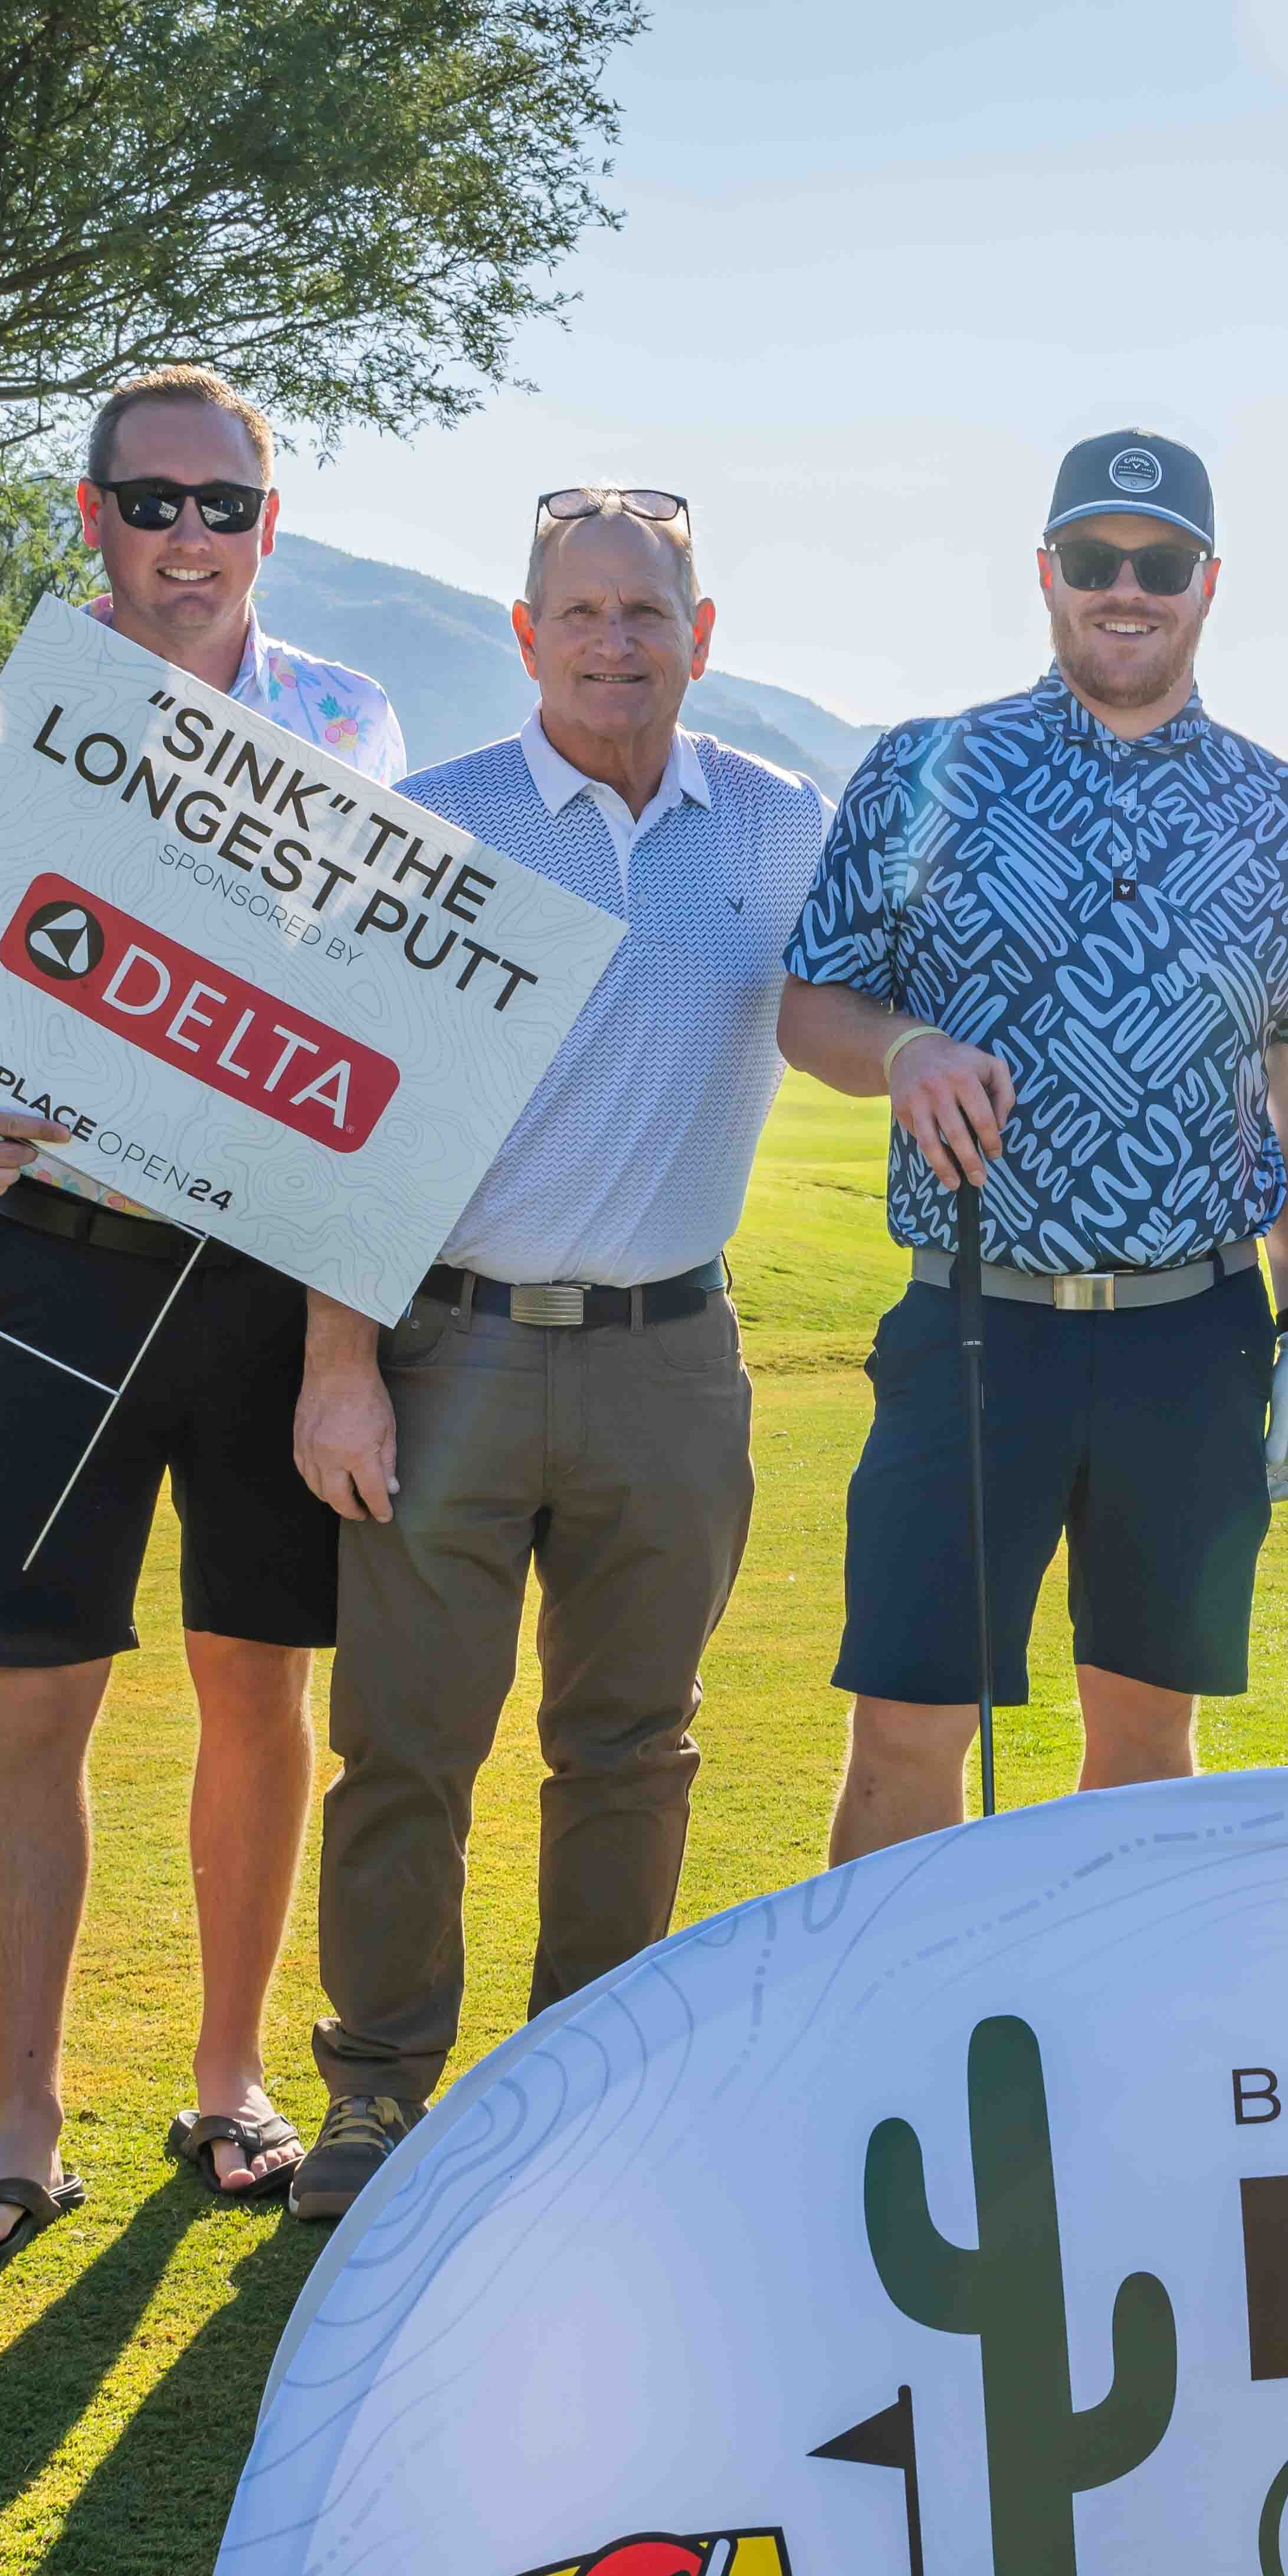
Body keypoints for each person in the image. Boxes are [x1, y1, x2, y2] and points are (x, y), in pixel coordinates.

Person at [0, 362, 407, 2270]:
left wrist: (343, 1345)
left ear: (270, 526)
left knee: (260, 1685)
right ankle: (20, 2130)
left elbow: (389, 1033)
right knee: (34, 1695)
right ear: (90, 513)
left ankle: (229, 2079)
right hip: (55, 1267)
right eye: (150, 500)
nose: (187, 536)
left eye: (221, 504)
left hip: (262, 1278)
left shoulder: (349, 723)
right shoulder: (5, 727)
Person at [280, 487, 830, 2225]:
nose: (613, 643)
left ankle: (583, 2087)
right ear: (524, 636)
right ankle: (378, 2090)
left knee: (632, 1744)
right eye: (578, 613)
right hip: (450, 1348)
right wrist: (336, 1365)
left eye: (645, 612)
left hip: (671, 1358)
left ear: (700, 634)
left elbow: (860, 997)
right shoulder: (436, 825)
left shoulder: (779, 825)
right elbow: (344, 1115)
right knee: (405, 1744)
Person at [778, 428, 1288, 1857]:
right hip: (975, 1323)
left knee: (1151, 1741)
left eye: (1159, 564)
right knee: (907, 1731)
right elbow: (810, 1006)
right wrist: (903, 1049)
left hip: (1193, 1337)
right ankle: (894, 2008)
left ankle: (1117, 2009)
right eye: (1096, 559)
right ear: (1046, 570)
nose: (1126, 589)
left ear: (1207, 582)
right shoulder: (924, 770)